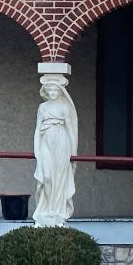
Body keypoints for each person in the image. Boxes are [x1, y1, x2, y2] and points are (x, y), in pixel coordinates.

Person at [32, 75, 78, 227]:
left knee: (59, 176)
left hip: (62, 143)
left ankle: (55, 209)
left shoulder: (64, 107)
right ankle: (45, 208)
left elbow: (71, 129)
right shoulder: (42, 107)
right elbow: (37, 129)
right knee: (47, 176)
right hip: (46, 142)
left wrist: (74, 152)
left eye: (55, 88)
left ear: (60, 91)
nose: (52, 91)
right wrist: (36, 149)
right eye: (49, 88)